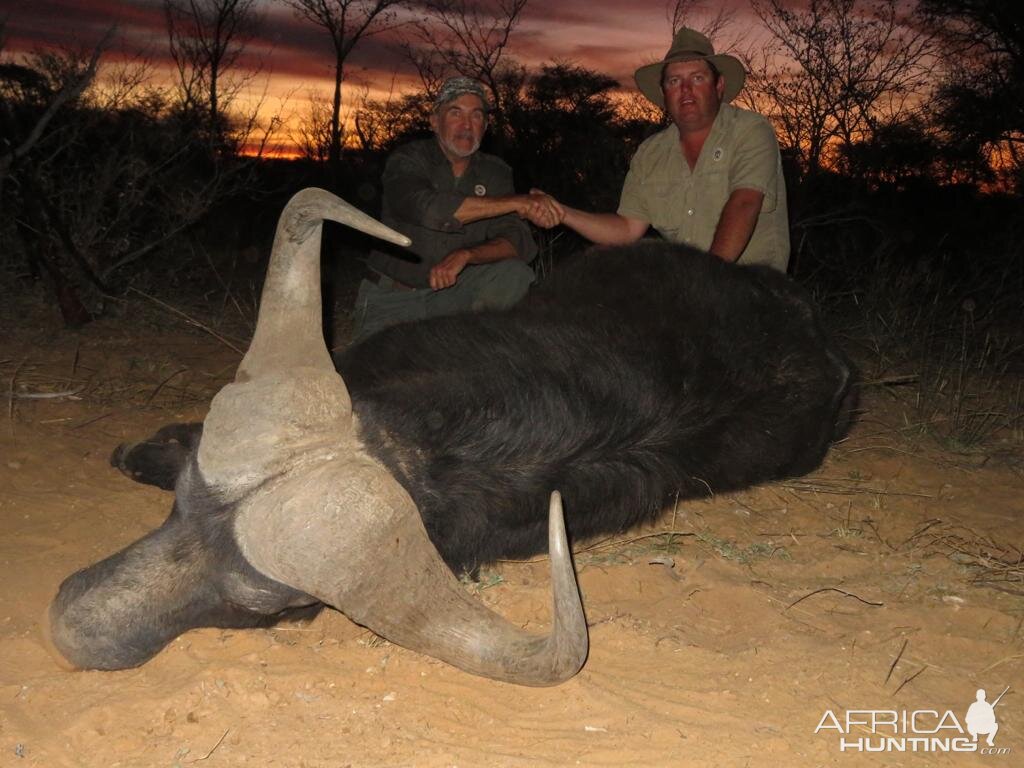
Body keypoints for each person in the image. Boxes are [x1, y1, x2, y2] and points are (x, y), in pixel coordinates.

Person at [539, 27, 790, 271]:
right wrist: (562, 214)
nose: (685, 89)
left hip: (754, 287)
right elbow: (627, 228)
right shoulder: (650, 153)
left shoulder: (750, 130)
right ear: (664, 92)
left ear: (719, 85)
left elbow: (744, 204)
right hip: (687, 285)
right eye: (674, 80)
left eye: (698, 78)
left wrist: (706, 281)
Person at [352, 77, 558, 341]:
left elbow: (516, 240)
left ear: (485, 126)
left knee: (514, 274)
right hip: (393, 296)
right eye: (455, 113)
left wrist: (467, 255)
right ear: (434, 122)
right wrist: (521, 201)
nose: (466, 125)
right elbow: (428, 209)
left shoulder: (495, 172)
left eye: (476, 115)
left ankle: (477, 346)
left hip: (454, 296)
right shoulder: (407, 160)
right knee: (375, 376)